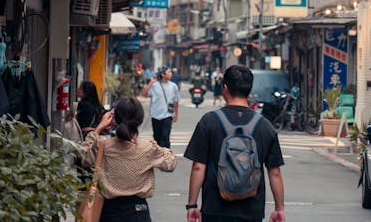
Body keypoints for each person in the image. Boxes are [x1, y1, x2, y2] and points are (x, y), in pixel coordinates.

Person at [184, 65, 285, 222]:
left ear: (225, 88)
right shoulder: (265, 126)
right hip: (252, 210)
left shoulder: (209, 121)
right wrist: (279, 208)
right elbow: (275, 172)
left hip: (215, 210)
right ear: (249, 90)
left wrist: (192, 205)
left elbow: (198, 167)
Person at [78, 97, 177, 221]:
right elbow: (170, 164)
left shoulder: (103, 145)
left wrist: (98, 128)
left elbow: (83, 156)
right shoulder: (147, 148)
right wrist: (162, 149)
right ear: (139, 121)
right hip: (138, 211)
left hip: (109, 211)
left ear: (116, 119)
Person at [141, 66, 180, 148]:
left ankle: (166, 156)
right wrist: (151, 83)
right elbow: (144, 94)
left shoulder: (173, 86)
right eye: (169, 72)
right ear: (163, 74)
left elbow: (176, 101)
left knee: (165, 137)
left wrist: (176, 113)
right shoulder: (154, 85)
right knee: (157, 138)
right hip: (155, 116)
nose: (171, 74)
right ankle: (158, 156)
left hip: (167, 116)